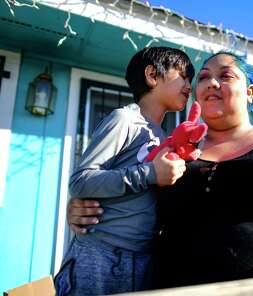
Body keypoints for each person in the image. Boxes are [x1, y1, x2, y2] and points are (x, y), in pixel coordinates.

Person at [68, 51, 253, 289]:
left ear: (250, 92)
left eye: (225, 75)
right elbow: (131, 197)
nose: (211, 82)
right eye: (202, 77)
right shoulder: (172, 155)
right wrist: (83, 207)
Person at [54, 46, 194, 295]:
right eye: (183, 75)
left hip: (141, 258)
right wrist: (150, 173)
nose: (189, 85)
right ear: (152, 75)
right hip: (101, 252)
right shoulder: (124, 120)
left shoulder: (161, 136)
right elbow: (81, 180)